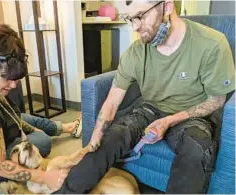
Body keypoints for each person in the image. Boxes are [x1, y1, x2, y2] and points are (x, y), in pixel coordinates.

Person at [51, 0, 235, 194]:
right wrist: (94, 141)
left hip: (190, 114)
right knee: (112, 135)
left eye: (141, 15)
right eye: (129, 18)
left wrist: (170, 121)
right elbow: (112, 101)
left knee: (196, 147)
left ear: (167, 6)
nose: (135, 27)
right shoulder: (136, 52)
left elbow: (217, 100)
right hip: (151, 108)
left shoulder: (211, 44)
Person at [0, 24, 81, 194]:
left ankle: (65, 127)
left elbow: (13, 117)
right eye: (7, 78)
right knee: (42, 141)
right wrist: (45, 177)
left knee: (26, 120)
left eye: (15, 79)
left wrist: (31, 129)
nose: (13, 85)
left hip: (3, 129)